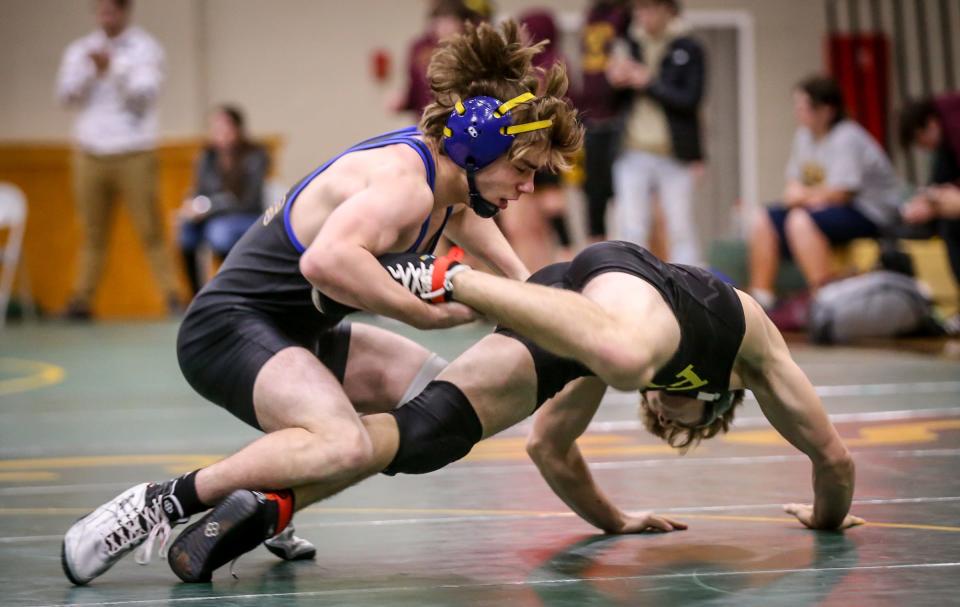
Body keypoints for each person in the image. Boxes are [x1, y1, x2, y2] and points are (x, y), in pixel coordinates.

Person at [60, 20, 584, 586]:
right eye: (524, 170)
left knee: (449, 405)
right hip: (230, 329)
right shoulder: (403, 182)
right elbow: (323, 263)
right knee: (343, 442)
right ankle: (160, 502)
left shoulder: (448, 179)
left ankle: (270, 502)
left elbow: (460, 214)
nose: (529, 187)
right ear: (479, 152)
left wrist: (521, 282)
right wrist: (421, 313)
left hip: (300, 330)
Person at [164, 240, 862, 582]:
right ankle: (452, 277)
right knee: (627, 355)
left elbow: (549, 448)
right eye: (675, 415)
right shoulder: (755, 350)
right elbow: (832, 458)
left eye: (659, 411)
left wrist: (615, 520)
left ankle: (270, 502)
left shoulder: (614, 368)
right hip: (626, 283)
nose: (662, 409)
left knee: (428, 432)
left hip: (577, 301)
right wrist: (825, 516)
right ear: (716, 402)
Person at [55, 0, 181, 319]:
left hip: (134, 150)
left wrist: (113, 69)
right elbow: (65, 96)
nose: (106, 17)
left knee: (150, 228)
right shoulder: (81, 49)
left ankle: (172, 297)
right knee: (92, 231)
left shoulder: (145, 49)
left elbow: (146, 95)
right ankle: (81, 301)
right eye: (101, 11)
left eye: (112, 11)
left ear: (125, 12)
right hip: (90, 151)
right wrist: (89, 73)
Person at [747, 76, 902, 327]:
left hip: (869, 212)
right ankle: (761, 301)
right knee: (763, 218)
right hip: (823, 208)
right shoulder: (803, 136)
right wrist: (805, 196)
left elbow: (842, 192)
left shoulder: (847, 137)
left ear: (826, 111)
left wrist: (805, 197)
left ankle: (827, 303)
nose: (797, 113)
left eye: (803, 107)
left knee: (800, 220)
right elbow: (794, 185)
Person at [607, 0, 705, 265]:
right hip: (632, 149)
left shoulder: (688, 47)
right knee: (632, 228)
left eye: (649, 8)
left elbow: (689, 100)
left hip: (674, 152)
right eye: (638, 9)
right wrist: (615, 81)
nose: (643, 16)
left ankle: (693, 294)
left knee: (680, 229)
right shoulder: (627, 44)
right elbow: (608, 104)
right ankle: (632, 288)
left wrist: (648, 82)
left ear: (668, 10)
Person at [499, 8, 575, 270]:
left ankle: (551, 268)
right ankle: (534, 274)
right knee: (522, 225)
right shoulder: (524, 67)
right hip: (523, 147)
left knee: (545, 213)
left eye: (525, 31)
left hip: (541, 148)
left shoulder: (551, 66)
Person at [178, 105, 269, 296]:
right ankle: (196, 295)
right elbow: (199, 190)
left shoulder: (255, 155)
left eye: (224, 127)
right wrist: (192, 206)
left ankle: (230, 290)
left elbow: (247, 201)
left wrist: (208, 207)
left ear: (237, 128)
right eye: (214, 128)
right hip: (211, 216)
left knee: (219, 231)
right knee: (185, 228)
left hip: (245, 215)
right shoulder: (207, 157)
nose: (218, 133)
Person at [899, 93, 960, 320]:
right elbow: (941, 183)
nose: (924, 149)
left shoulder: (954, 123)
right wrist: (932, 200)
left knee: (952, 225)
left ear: (929, 125)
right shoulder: (945, 131)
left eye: (920, 141)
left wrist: (939, 200)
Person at [578, 0, 632, 244]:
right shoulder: (592, 15)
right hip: (593, 120)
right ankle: (598, 257)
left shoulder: (626, 15)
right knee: (594, 196)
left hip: (620, 120)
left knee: (628, 198)